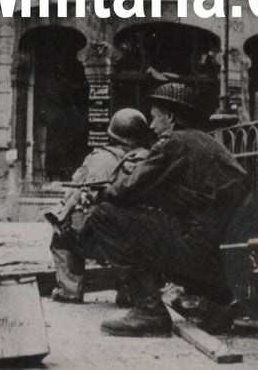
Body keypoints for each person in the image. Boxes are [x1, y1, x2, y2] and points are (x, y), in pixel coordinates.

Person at [77, 82, 249, 336]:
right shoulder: (205, 142)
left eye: (155, 118)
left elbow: (126, 190)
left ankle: (149, 310)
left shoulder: (173, 142)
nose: (153, 127)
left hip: (198, 249)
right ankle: (217, 301)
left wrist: (98, 194)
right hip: (222, 252)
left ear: (169, 117)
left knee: (103, 215)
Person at [49, 107, 150, 303]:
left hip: (97, 239)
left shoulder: (97, 159)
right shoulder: (149, 158)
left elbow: (72, 198)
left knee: (62, 231)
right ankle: (129, 292)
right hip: (136, 240)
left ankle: (70, 291)